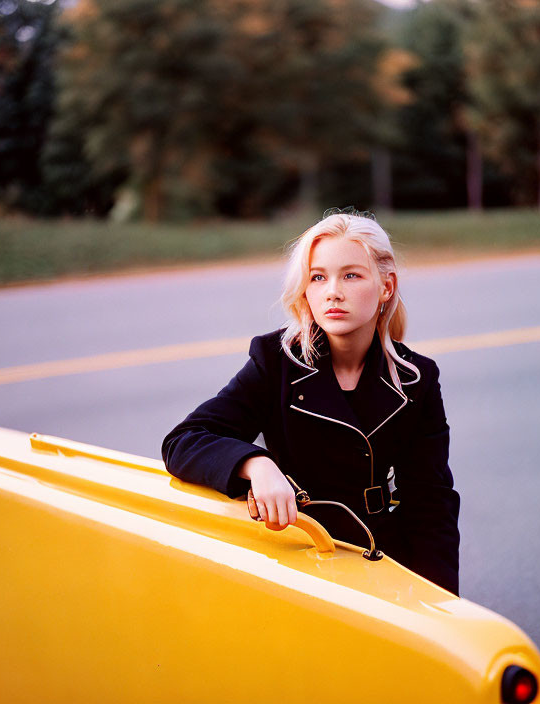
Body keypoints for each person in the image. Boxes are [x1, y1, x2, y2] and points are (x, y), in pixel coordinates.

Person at [162, 208, 460, 595]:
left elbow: (430, 502)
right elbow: (184, 440)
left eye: (351, 275)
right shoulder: (275, 361)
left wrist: (440, 605)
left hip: (380, 556)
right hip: (298, 556)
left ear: (386, 287)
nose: (332, 291)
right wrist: (257, 464)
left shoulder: (416, 378)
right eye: (318, 277)